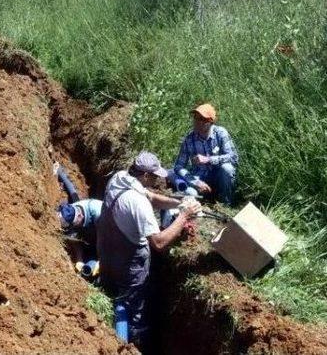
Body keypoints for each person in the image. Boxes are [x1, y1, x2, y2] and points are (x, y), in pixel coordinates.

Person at [97, 151, 201, 351]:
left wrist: (179, 203)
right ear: (145, 176)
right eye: (155, 176)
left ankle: (110, 321)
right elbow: (159, 243)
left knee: (110, 293)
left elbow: (150, 197)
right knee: (134, 310)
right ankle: (134, 344)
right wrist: (184, 216)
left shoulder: (119, 178)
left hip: (107, 253)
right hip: (129, 265)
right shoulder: (138, 204)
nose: (158, 180)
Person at [172, 103, 239, 206]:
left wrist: (209, 159)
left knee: (227, 168)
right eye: (195, 118)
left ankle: (225, 203)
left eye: (201, 119)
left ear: (210, 122)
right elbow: (178, 166)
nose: (197, 122)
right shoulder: (189, 139)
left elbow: (233, 157)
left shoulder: (220, 133)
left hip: (219, 176)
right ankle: (205, 200)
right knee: (190, 192)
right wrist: (195, 182)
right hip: (200, 178)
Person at [53, 163, 102, 276]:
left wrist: (101, 261)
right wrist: (79, 259)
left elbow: (107, 242)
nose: (71, 228)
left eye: (72, 225)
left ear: (80, 216)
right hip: (91, 237)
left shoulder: (98, 214)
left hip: (107, 234)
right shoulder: (73, 209)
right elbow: (73, 237)